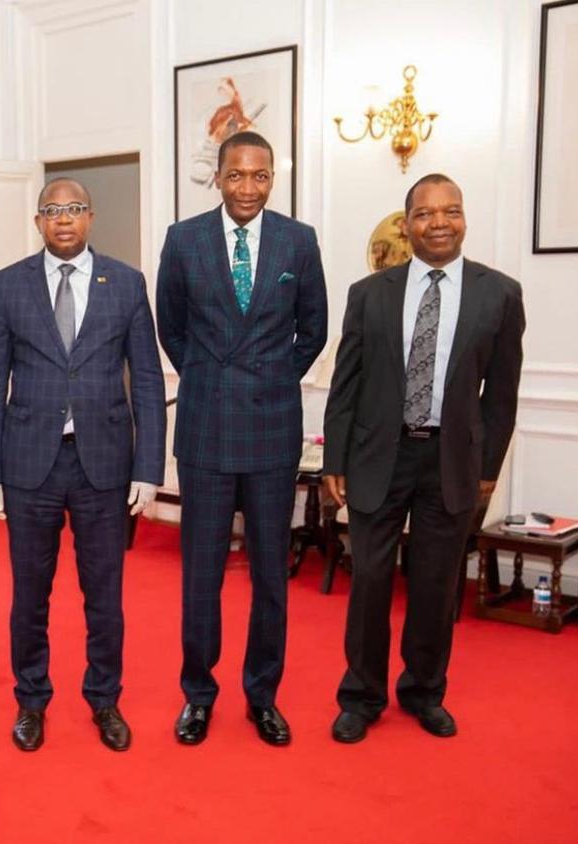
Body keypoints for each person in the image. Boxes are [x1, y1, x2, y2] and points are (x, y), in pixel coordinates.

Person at [322, 173, 524, 744]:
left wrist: (488, 469)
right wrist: (335, 456)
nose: (440, 222)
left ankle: (424, 690)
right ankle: (361, 697)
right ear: (406, 225)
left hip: (451, 461)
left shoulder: (500, 293)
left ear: (464, 218)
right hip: (376, 457)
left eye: (451, 211)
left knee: (437, 585)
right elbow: (347, 382)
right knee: (370, 582)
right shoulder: (370, 293)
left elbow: (502, 393)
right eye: (426, 213)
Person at [0, 178, 165, 752]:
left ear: (91, 217)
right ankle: (31, 700)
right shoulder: (7, 286)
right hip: (28, 464)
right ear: (38, 222)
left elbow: (149, 381)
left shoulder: (126, 284)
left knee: (103, 594)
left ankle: (104, 699)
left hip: (103, 467)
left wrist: (148, 467)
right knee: (30, 595)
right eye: (52, 210)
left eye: (75, 209)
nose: (64, 219)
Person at [156, 131, 328, 747]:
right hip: (204, 430)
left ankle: (263, 696)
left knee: (270, 579)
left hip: (271, 430)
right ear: (219, 177)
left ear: (272, 177)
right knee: (200, 575)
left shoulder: (297, 241)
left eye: (259, 176)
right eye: (237, 175)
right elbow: (169, 326)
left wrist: (271, 374)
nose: (248, 187)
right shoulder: (183, 240)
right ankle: (198, 695)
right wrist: (210, 374)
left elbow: (315, 330)